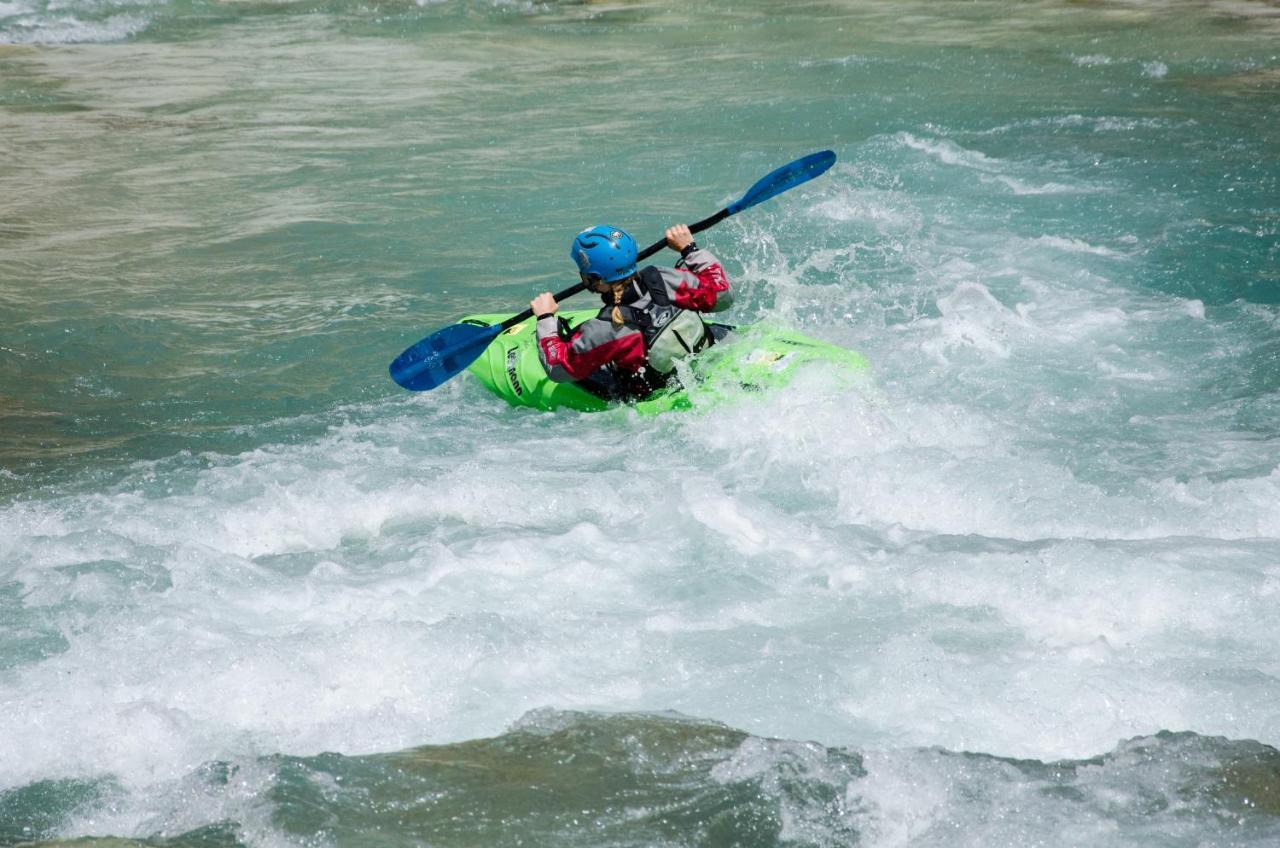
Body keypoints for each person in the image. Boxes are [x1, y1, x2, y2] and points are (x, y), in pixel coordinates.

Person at [528, 223, 733, 401]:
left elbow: (558, 368)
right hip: (705, 353)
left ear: (594, 280)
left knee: (581, 368)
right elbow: (722, 295)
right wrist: (690, 249)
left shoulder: (607, 327)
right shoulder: (664, 277)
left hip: (656, 390)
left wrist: (545, 318)